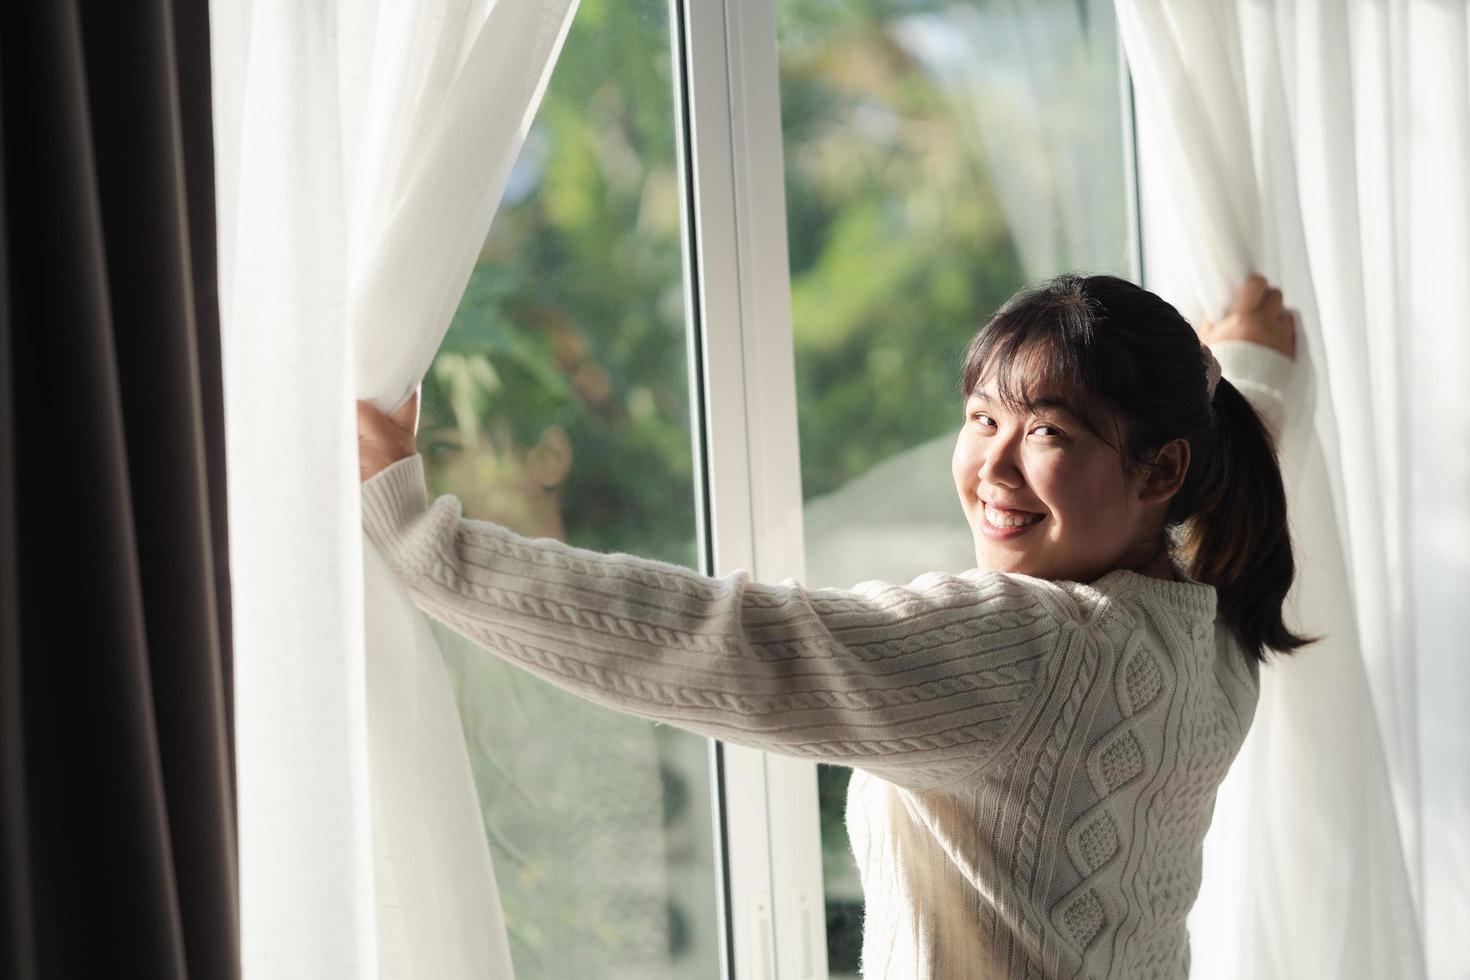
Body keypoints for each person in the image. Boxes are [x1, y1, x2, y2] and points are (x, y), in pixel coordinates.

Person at [357, 273, 1307, 979]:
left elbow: (721, 640)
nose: (995, 470)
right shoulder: (1213, 632)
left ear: (1162, 470)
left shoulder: (1031, 648)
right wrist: (1250, 367)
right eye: (982, 419)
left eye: (1048, 433)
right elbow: (1224, 473)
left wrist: (419, 541)